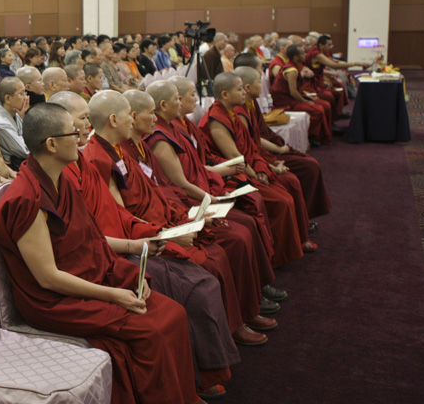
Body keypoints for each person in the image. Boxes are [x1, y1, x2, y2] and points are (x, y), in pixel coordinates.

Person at [0, 102, 206, 404]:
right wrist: (113, 294)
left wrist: (131, 271)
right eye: (73, 133)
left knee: (172, 312)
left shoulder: (61, 180)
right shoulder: (26, 198)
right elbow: (47, 277)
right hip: (53, 300)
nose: (82, 137)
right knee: (150, 331)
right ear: (51, 144)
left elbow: (90, 241)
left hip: (89, 277)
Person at [87, 89, 274, 347]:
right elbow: (121, 218)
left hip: (164, 218)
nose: (82, 132)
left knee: (235, 236)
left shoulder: (122, 150)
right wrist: (170, 232)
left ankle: (244, 313)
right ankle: (230, 329)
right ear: (115, 119)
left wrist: (186, 217)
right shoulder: (100, 157)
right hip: (147, 233)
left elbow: (157, 189)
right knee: (218, 255)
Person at [145, 80, 281, 312]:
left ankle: (258, 287)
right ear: (164, 105)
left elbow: (199, 163)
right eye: (179, 98)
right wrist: (211, 199)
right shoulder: (157, 138)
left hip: (197, 193)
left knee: (248, 217)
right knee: (239, 234)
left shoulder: (177, 126)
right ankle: (248, 304)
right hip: (185, 203)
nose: (185, 101)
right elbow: (179, 184)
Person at [202, 73, 313, 264]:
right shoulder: (217, 120)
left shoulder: (231, 114)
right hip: (233, 175)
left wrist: (264, 167)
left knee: (286, 190)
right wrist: (256, 174)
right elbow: (235, 157)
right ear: (225, 94)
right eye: (239, 89)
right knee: (282, 200)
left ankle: (291, 245)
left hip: (249, 167)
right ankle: (277, 257)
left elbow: (251, 147)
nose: (243, 92)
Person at [235, 66, 331, 222]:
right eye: (259, 81)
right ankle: (302, 222)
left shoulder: (251, 104)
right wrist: (272, 164)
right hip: (255, 161)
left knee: (309, 164)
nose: (262, 85)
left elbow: (256, 138)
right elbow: (245, 149)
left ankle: (303, 220)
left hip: (260, 156)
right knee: (297, 176)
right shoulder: (238, 112)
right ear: (247, 87)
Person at [270, 45, 333, 147]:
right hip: (285, 101)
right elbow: (293, 92)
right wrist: (306, 101)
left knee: (325, 104)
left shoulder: (295, 66)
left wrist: (307, 98)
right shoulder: (292, 71)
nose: (306, 55)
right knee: (318, 110)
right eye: (303, 53)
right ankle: (311, 137)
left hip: (292, 97)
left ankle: (326, 133)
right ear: (296, 57)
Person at [0, 76, 29, 169]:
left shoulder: (17, 114)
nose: (26, 98)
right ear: (8, 98)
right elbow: (25, 151)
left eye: (25, 93)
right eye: (21, 94)